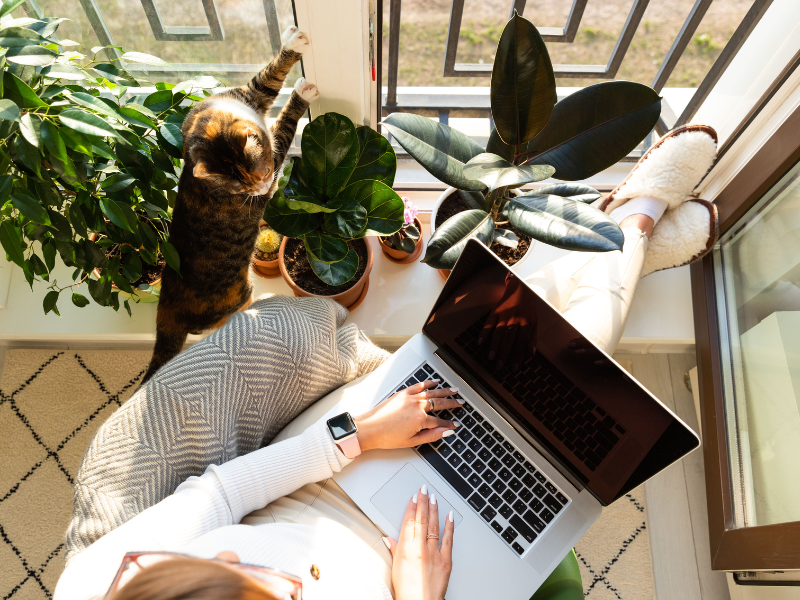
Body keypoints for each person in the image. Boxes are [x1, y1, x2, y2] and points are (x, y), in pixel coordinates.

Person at [54, 125, 718, 600]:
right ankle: (628, 228)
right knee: (566, 385)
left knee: (503, 352)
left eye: (216, 564)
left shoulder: (104, 584)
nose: (229, 549)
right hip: (424, 574)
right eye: (251, 582)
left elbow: (225, 493)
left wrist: (358, 436)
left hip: (320, 482)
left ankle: (628, 231)